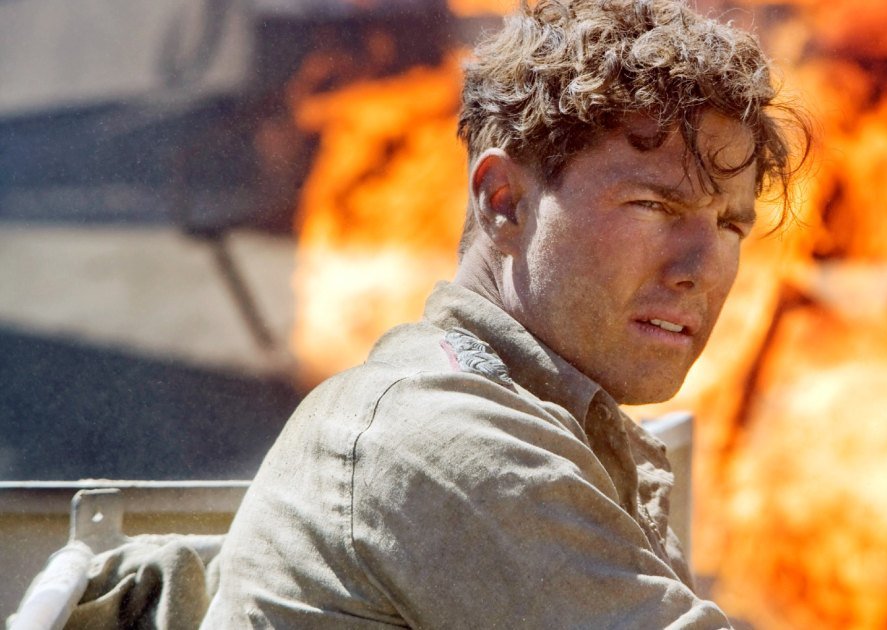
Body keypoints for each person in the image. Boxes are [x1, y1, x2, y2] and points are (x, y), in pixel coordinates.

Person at [203, 0, 804, 627]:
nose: (701, 269)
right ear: (503, 201)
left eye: (730, 226)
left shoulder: (528, 423)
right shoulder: (448, 439)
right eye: (654, 206)